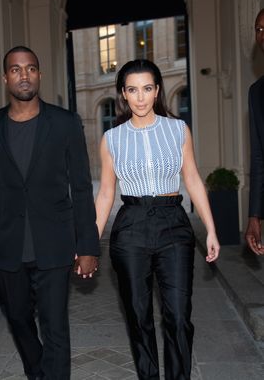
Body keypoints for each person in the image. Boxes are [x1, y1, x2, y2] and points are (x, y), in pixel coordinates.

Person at [0, 45, 99, 380]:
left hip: (54, 243)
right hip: (5, 245)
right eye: (15, 69)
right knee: (17, 319)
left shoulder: (65, 122)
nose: (23, 75)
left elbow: (82, 187)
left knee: (55, 326)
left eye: (30, 68)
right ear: (5, 78)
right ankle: (38, 373)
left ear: (39, 74)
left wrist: (87, 246)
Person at [95, 59, 220, 380]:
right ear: (123, 94)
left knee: (178, 316)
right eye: (133, 90)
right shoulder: (112, 139)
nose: (140, 97)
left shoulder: (178, 129)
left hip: (173, 225)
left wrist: (210, 229)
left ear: (157, 91)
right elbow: (107, 193)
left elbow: (191, 177)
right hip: (131, 226)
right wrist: (89, 241)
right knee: (138, 317)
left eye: (147, 89)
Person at [245, 8, 264, 256]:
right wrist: (254, 215)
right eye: (259, 29)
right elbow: (259, 157)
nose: (262, 34)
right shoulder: (257, 92)